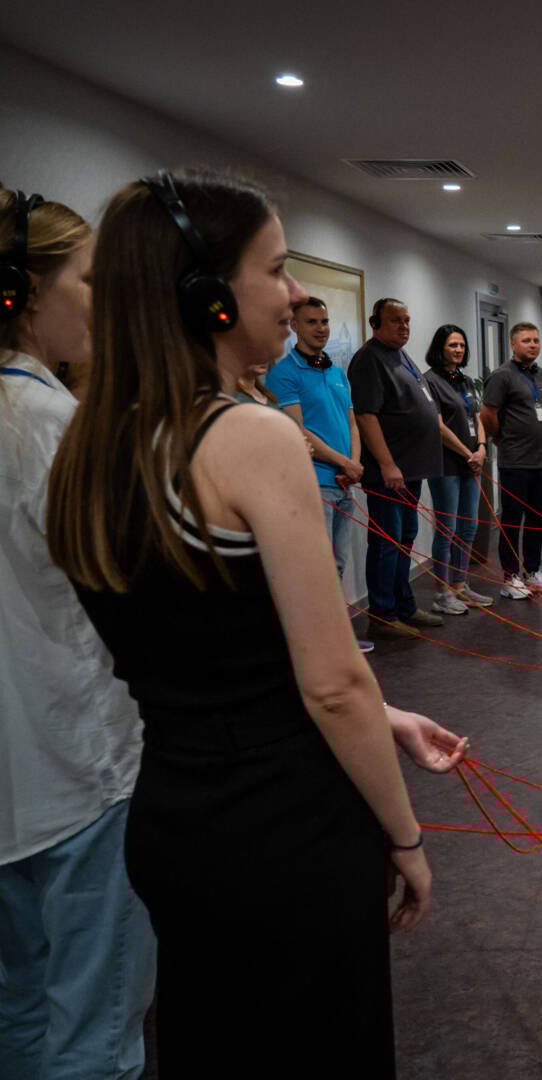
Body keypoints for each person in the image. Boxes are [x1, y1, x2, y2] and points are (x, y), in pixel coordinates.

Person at [44, 168, 467, 1076]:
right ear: (208, 298)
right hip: (285, 828)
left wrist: (385, 720)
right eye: (276, 269)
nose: (299, 294)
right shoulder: (249, 438)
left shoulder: (87, 447)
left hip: (175, 817)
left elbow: (205, 653)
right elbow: (332, 681)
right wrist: (405, 835)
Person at [0, 186, 157, 1080]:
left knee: (21, 1002)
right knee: (96, 1024)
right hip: (78, 770)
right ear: (25, 292)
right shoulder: (51, 426)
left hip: (20, 779)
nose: (106, 302)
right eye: (90, 280)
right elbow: (129, 593)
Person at [264, 295, 372, 650]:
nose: (321, 328)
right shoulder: (284, 373)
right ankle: (320, 645)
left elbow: (351, 423)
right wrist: (344, 463)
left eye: (324, 321)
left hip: (345, 481)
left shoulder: (336, 371)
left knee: (338, 565)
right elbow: (299, 430)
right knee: (319, 568)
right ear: (294, 326)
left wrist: (354, 463)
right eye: (311, 322)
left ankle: (335, 639)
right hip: (316, 483)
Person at [350, 296, 445, 634]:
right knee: (386, 542)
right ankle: (382, 616)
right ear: (376, 323)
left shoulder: (401, 355)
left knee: (405, 537)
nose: (404, 327)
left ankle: (404, 607)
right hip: (389, 473)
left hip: (411, 469)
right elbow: (366, 415)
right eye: (396, 321)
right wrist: (387, 464)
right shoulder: (368, 359)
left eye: (407, 320)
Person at [480, 322, 542, 598]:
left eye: (536, 340)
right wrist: (501, 439)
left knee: (537, 521)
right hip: (515, 462)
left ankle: (533, 573)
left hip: (541, 462)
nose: (533, 345)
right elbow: (488, 414)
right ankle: (510, 578)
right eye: (526, 340)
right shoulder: (502, 376)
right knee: (512, 522)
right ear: (513, 344)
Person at [422, 323, 489, 614]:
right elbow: (436, 426)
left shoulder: (466, 381)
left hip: (472, 463)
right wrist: (466, 453)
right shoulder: (429, 381)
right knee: (447, 529)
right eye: (452, 345)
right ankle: (441, 592)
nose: (458, 350)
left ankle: (460, 586)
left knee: (469, 526)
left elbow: (478, 416)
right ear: (440, 348)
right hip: (446, 463)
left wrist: (482, 448)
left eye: (461, 345)